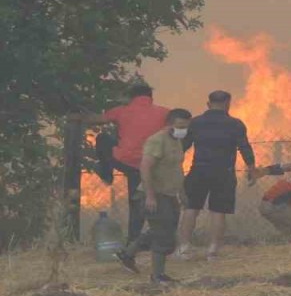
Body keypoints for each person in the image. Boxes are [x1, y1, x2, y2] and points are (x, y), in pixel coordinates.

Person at [78, 83, 169, 244]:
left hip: (125, 161)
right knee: (141, 202)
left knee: (103, 138)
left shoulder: (121, 110)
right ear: (150, 97)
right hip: (151, 164)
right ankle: (137, 240)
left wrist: (79, 111)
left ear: (131, 97)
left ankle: (106, 173)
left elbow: (95, 120)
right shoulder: (165, 112)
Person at [178, 91, 258, 260]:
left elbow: (182, 147)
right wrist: (251, 169)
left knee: (191, 208)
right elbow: (245, 148)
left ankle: (184, 248)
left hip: (199, 170)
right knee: (218, 211)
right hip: (224, 172)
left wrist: (174, 166)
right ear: (228, 103)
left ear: (209, 104)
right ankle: (212, 250)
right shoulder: (235, 124)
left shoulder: (195, 123)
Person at [115, 109, 193, 284]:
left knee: (163, 229)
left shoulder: (177, 142)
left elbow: (176, 169)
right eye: (180, 126)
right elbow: (145, 168)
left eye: (186, 127)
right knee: (163, 236)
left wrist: (182, 193)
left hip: (170, 194)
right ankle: (157, 275)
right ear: (169, 124)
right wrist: (150, 196)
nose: (183, 130)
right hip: (155, 194)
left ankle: (127, 254)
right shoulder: (157, 141)